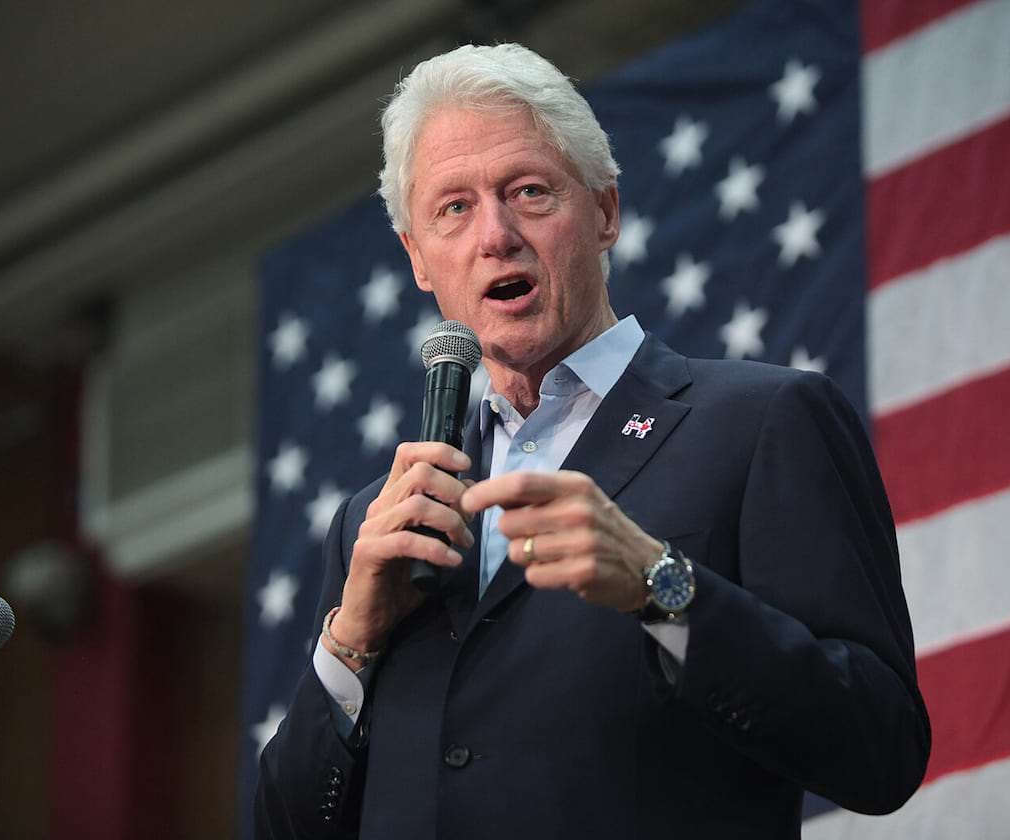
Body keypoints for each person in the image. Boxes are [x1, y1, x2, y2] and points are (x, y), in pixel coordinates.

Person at [255, 43, 930, 839]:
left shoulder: (762, 422)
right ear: (419, 261)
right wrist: (351, 642)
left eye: (529, 192)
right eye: (453, 209)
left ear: (603, 212)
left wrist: (660, 583)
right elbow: (286, 827)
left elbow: (879, 748)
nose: (494, 235)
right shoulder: (378, 524)